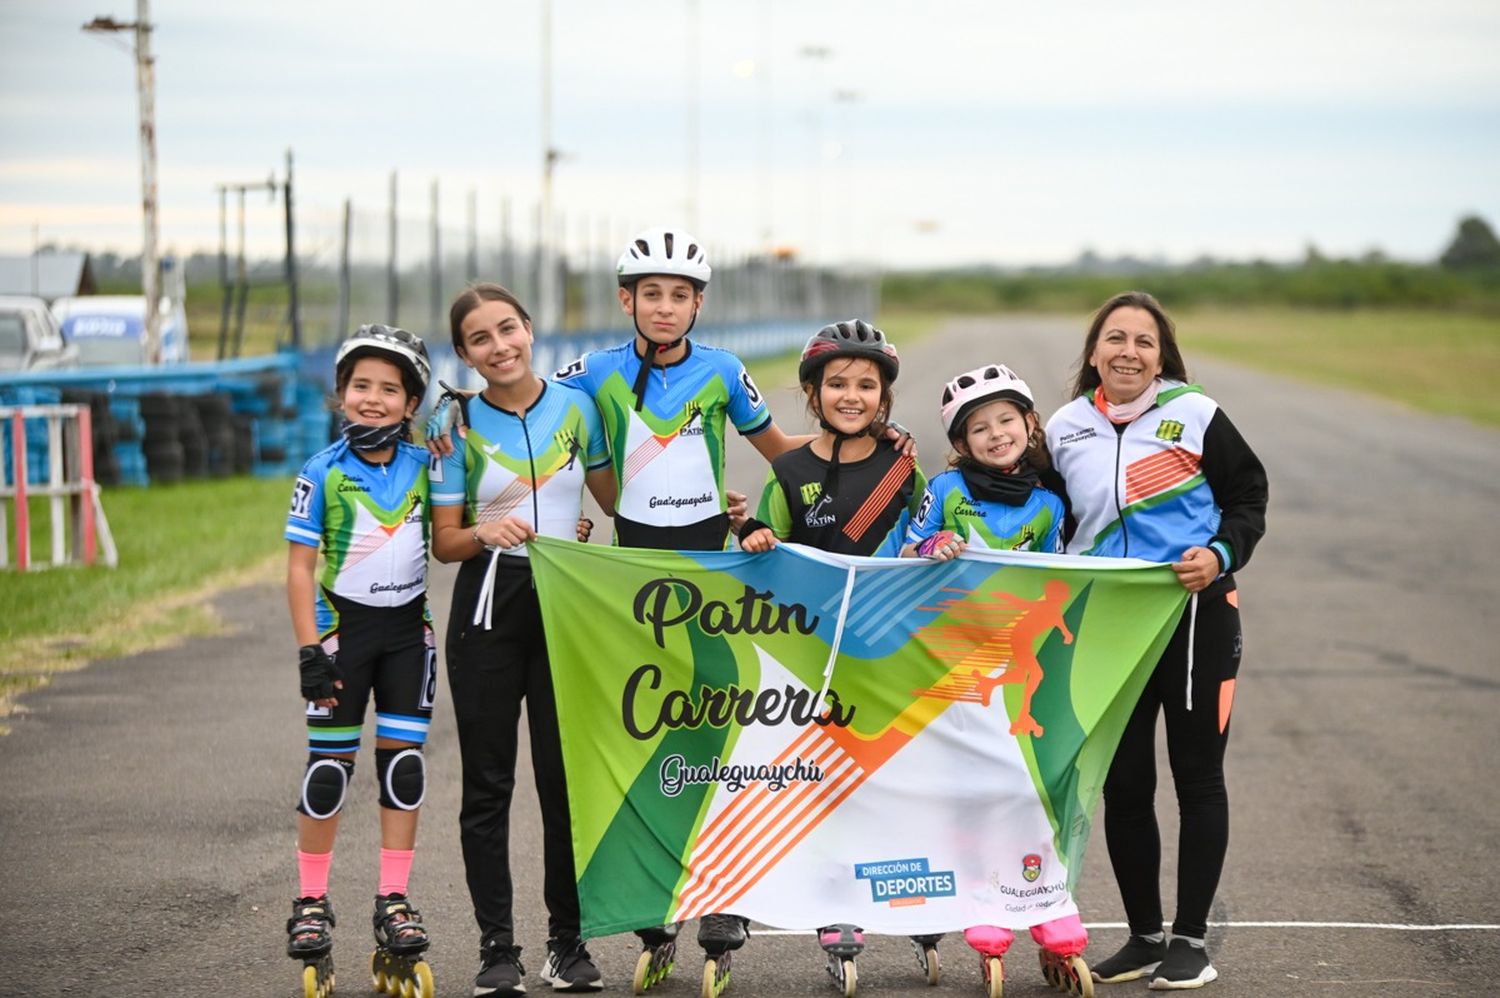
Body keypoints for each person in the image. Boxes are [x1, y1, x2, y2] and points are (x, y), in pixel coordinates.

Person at [1045, 291, 1268, 990]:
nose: (1129, 352)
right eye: (1116, 338)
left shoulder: (1195, 415)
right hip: (1107, 623)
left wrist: (1222, 553)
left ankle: (1191, 941)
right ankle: (1144, 935)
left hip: (1193, 611)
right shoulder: (1064, 428)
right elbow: (1025, 501)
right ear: (1093, 351)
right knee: (1125, 782)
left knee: (1197, 777)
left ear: (1161, 354)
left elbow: (1248, 494)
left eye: (1144, 341)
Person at [431, 283, 617, 996]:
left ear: (531, 329)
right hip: (487, 608)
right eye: (480, 339)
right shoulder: (454, 423)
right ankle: (496, 949)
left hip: (567, 607)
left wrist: (711, 513)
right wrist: (482, 530)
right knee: (487, 785)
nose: (499, 346)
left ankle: (566, 945)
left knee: (564, 786)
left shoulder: (578, 408)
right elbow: (446, 543)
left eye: (507, 329)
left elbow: (614, 503)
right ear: (463, 353)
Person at [738, 319, 924, 992]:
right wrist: (757, 535)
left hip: (888, 652)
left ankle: (904, 895)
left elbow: (931, 540)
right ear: (812, 394)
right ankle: (834, 910)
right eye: (837, 384)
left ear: (884, 396)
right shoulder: (787, 470)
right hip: (813, 656)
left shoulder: (904, 466)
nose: (852, 396)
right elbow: (767, 557)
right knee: (820, 786)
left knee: (886, 783)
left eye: (866, 385)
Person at [901, 362, 1092, 994]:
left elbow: (1060, 575)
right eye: (978, 428)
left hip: (1024, 670)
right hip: (960, 666)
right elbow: (908, 547)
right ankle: (986, 903)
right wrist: (934, 549)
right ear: (960, 444)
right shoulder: (947, 490)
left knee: (1029, 784)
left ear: (1029, 425)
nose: (995, 434)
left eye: (1006, 420)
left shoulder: (1046, 502)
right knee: (976, 785)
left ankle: (1042, 901)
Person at [283, 324, 437, 990]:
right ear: (341, 395)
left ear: (410, 403)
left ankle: (392, 899)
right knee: (329, 773)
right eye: (360, 387)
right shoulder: (320, 473)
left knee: (403, 769)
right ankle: (310, 903)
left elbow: (471, 520)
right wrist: (309, 651)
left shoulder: (430, 467)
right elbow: (298, 569)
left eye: (389, 389)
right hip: (344, 636)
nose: (372, 399)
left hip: (410, 636)